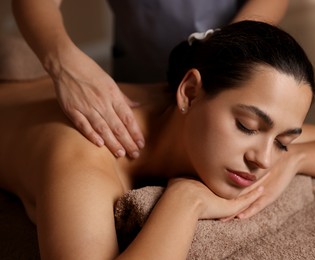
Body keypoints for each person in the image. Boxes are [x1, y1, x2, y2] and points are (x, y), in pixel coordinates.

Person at [0, 21, 315, 259]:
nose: (263, 160)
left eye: (283, 141)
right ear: (188, 92)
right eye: (248, 126)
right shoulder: (84, 156)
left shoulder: (198, 112)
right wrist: (186, 200)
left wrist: (296, 160)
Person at [11, 0, 289, 159]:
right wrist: (63, 63)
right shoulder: (90, 154)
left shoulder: (250, 127)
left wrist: (230, 50)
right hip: (137, 65)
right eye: (245, 126)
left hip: (230, 66)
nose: (263, 161)